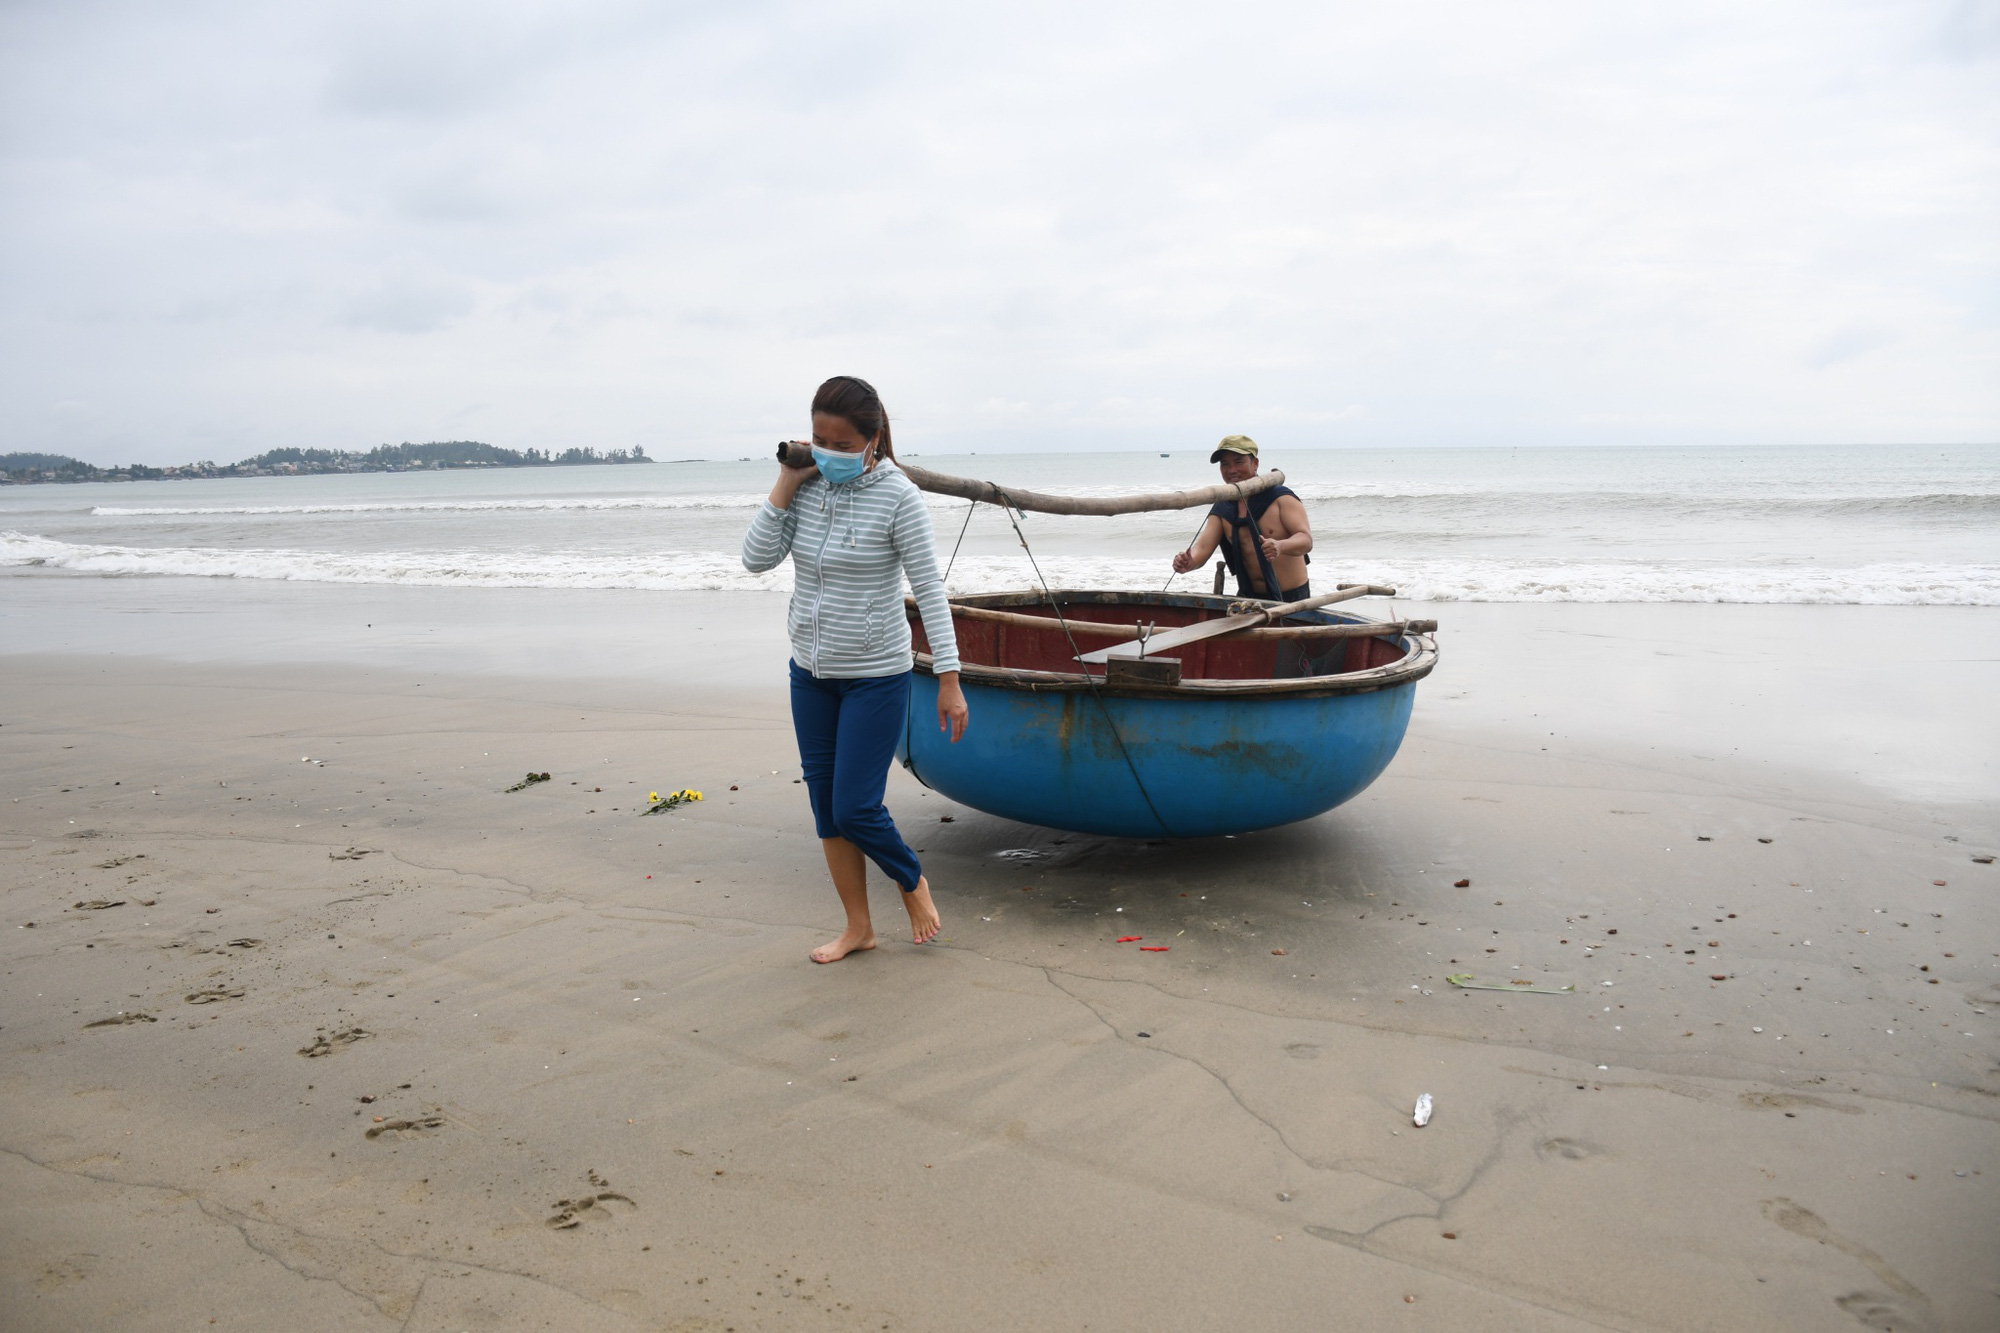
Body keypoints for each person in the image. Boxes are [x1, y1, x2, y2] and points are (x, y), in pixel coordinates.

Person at [742, 375, 969, 963]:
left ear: (873, 440)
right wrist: (788, 481)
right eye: (820, 441)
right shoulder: (807, 487)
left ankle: (911, 880)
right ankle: (858, 928)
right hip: (810, 673)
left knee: (855, 807)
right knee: (826, 808)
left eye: (842, 446)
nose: (829, 454)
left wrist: (950, 680)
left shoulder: (899, 497)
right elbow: (755, 559)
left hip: (876, 674)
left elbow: (930, 591)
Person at [1169, 435, 1314, 600]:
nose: (1232, 470)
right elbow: (1202, 548)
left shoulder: (1281, 498)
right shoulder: (1223, 507)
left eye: (1239, 462)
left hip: (1293, 597)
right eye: (1225, 464)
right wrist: (1188, 561)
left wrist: (1280, 546)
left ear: (1255, 463)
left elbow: (1305, 540)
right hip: (1249, 598)